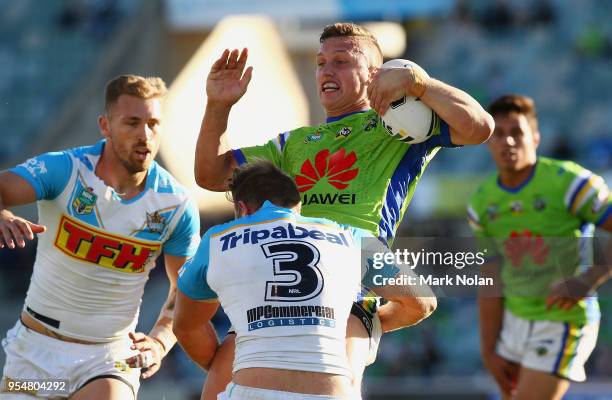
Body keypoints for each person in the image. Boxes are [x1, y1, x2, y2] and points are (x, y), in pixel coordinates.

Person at [193, 22, 494, 398]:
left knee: (339, 386)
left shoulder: (401, 126)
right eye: (320, 63)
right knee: (218, 389)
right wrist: (218, 107)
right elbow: (211, 174)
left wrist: (418, 82)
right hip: (282, 281)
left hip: (355, 277)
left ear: (375, 74)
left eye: (341, 61)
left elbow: (480, 127)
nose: (326, 71)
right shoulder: (293, 142)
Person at [0, 75, 208, 399]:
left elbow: (187, 286)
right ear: (105, 125)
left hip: (108, 359)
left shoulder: (176, 205)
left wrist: (161, 340)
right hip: (36, 353)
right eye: (132, 123)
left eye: (153, 124)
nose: (145, 136)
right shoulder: (65, 170)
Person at [174, 161, 436, 400]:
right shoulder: (351, 236)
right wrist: (357, 322)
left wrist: (222, 362)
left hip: (252, 391)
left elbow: (186, 327)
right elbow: (422, 303)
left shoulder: (218, 240)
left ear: (242, 208)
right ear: (297, 207)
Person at [468, 94, 612, 400]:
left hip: (563, 319)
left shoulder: (570, 183)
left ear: (535, 137)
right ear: (487, 142)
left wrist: (587, 279)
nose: (507, 142)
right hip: (514, 328)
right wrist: (488, 350)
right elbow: (490, 280)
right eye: (498, 134)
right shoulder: (481, 203)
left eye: (517, 133)